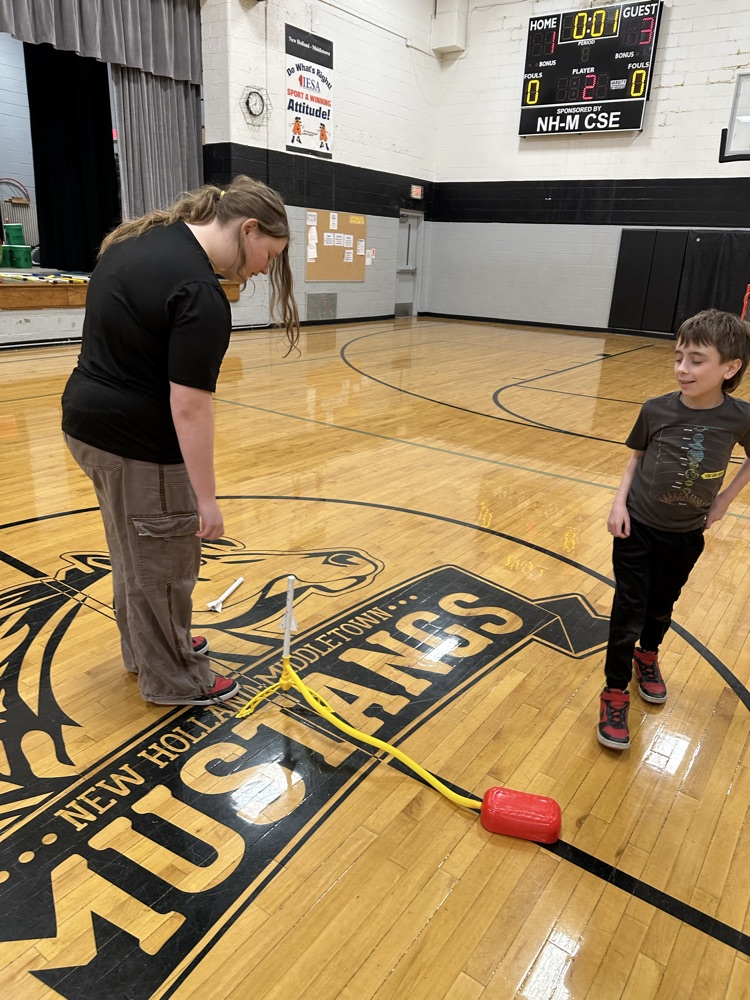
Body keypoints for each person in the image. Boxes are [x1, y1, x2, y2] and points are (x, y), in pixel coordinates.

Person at [61, 175, 299, 706]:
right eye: (269, 254)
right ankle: (175, 677)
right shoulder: (198, 291)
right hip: (138, 443)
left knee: (132, 555)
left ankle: (148, 648)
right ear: (249, 227)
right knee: (165, 566)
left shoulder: (141, 240)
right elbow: (189, 406)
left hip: (87, 427)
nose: (265, 268)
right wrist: (205, 499)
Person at [598, 309, 750, 750]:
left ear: (730, 368)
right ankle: (614, 693)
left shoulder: (739, 417)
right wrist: (617, 503)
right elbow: (636, 459)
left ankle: (648, 656)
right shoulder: (656, 409)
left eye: (697, 360)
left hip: (685, 533)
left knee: (662, 604)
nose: (683, 368)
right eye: (679, 357)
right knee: (628, 609)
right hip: (637, 527)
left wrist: (723, 501)